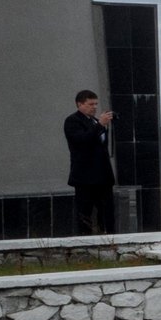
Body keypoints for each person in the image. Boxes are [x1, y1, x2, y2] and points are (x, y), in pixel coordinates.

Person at [64, 89, 115, 235]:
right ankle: (85, 240)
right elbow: (81, 140)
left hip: (103, 176)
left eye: (96, 104)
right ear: (79, 104)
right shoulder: (73, 121)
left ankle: (109, 236)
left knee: (107, 211)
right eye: (90, 104)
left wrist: (102, 125)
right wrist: (100, 125)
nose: (94, 107)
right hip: (84, 176)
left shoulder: (94, 121)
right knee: (84, 212)